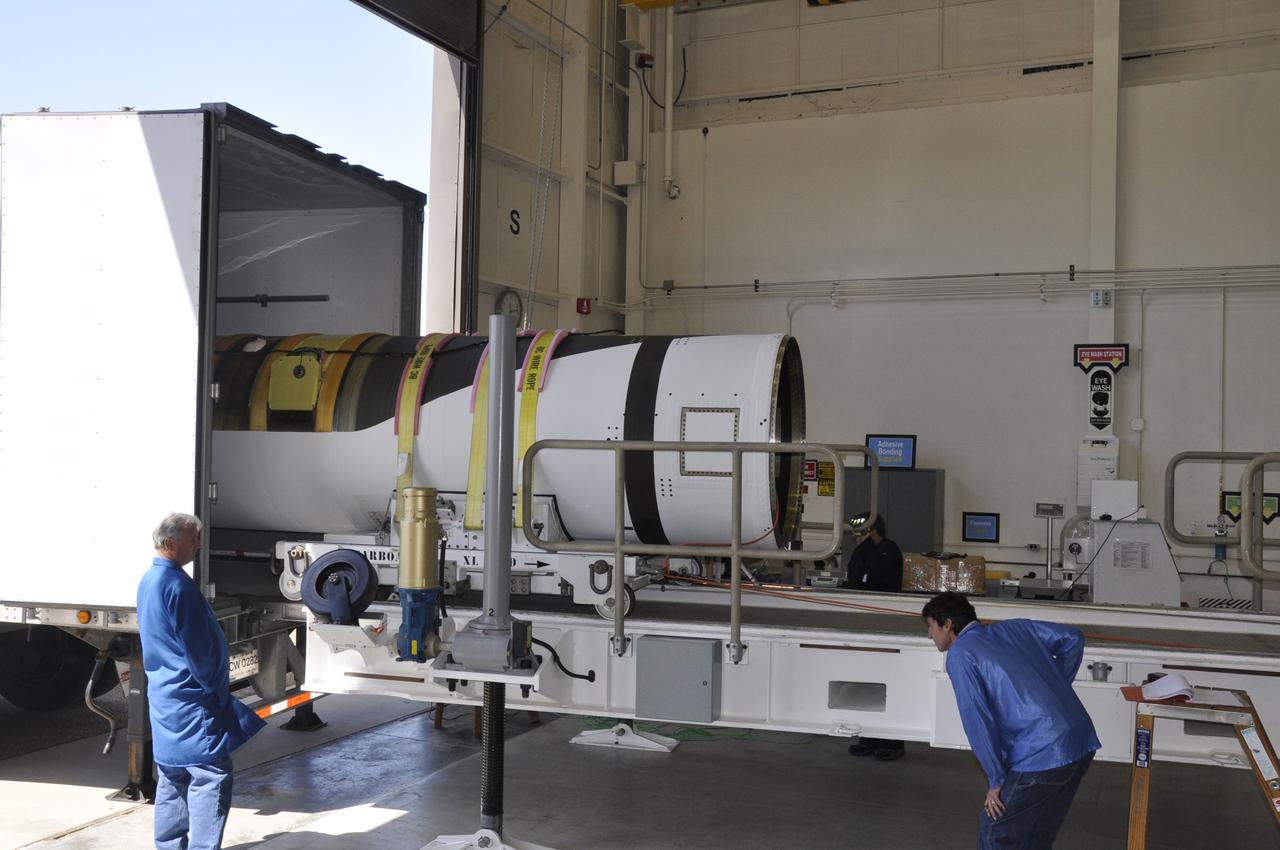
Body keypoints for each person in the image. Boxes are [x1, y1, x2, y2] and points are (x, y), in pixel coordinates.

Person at [922, 591, 1100, 849]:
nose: (929, 635)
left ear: (948, 624)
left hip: (1042, 752)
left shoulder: (961, 654)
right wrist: (1055, 688)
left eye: (930, 626)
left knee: (996, 830)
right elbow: (1073, 638)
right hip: (1080, 741)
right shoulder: (1016, 628)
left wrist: (996, 780)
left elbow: (977, 720)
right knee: (1036, 832)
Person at [137, 513, 266, 850]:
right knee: (211, 776)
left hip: (166, 698)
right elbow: (199, 652)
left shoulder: (150, 580)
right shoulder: (178, 587)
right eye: (193, 538)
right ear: (170, 543)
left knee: (172, 776)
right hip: (193, 703)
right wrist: (215, 690)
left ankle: (169, 846)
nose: (198, 545)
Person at [844, 514, 906, 760]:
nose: (857, 539)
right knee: (867, 682)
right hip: (864, 622)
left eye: (862, 533)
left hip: (886, 624)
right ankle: (868, 736)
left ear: (873, 531)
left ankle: (893, 742)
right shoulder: (862, 552)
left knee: (888, 682)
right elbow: (854, 578)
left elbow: (879, 579)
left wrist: (866, 551)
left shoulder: (889, 551)